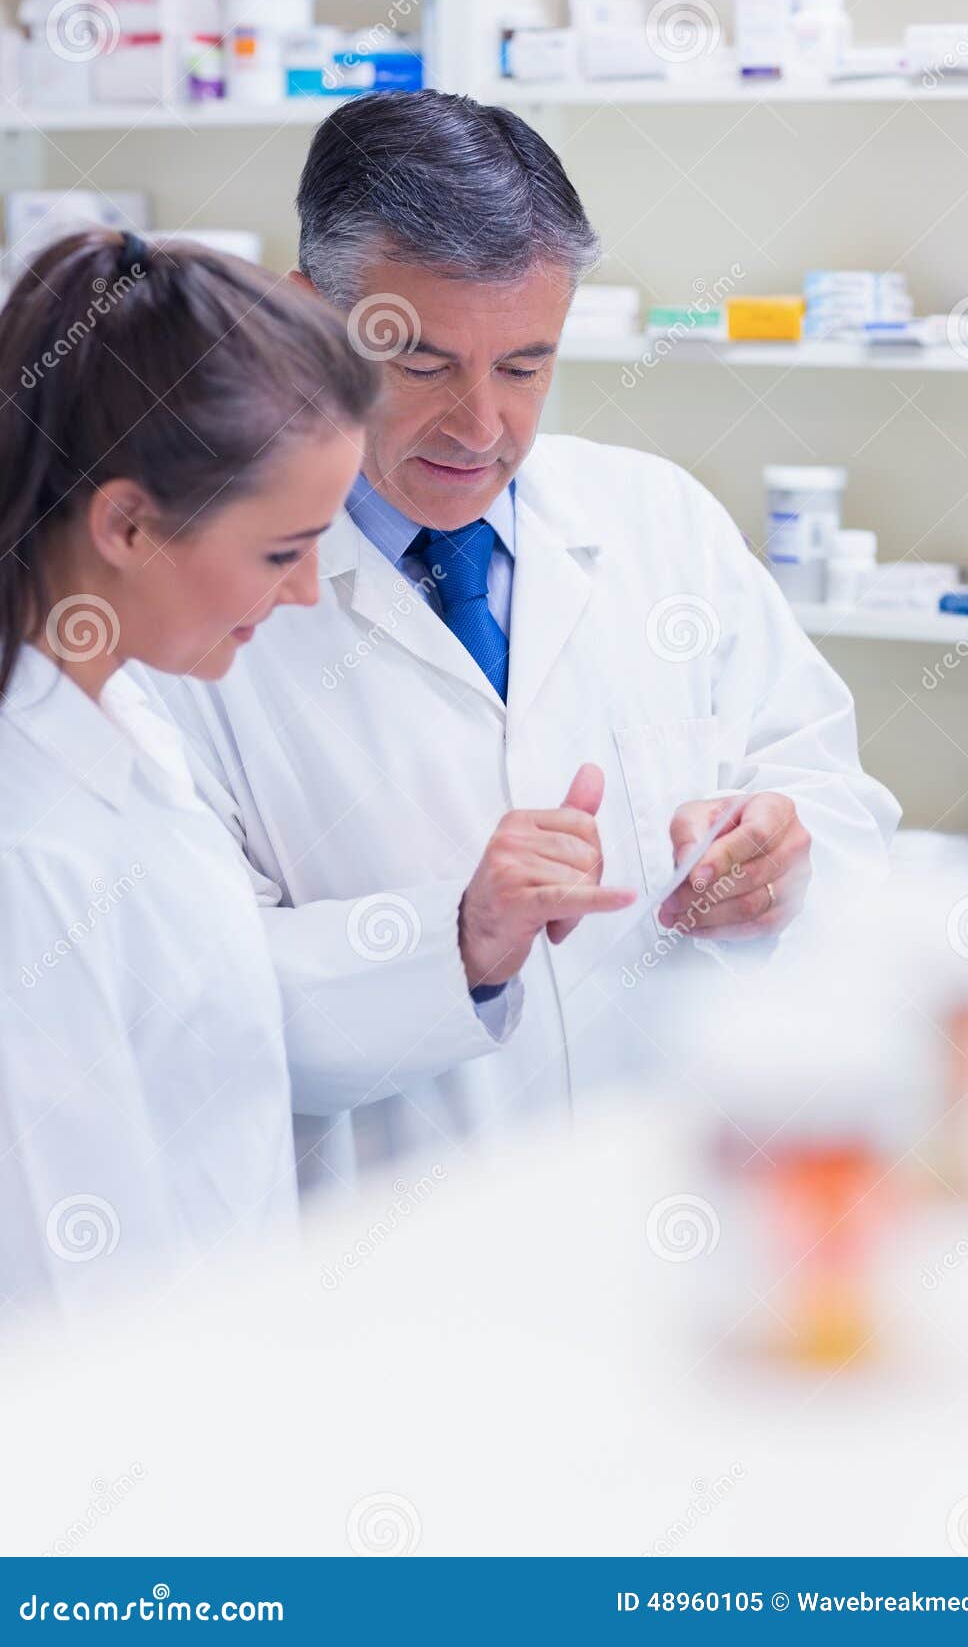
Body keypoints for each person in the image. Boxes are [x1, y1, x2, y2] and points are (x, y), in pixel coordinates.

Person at [145, 91, 901, 1195]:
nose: (481, 427)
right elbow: (187, 997)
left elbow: (832, 797)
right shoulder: (193, 611)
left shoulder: (660, 522)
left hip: (673, 1205)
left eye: (523, 366)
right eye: (423, 365)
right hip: (390, 1245)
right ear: (309, 322)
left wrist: (784, 859)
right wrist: (455, 941)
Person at [0, 230, 376, 1319]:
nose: (304, 591)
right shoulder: (29, 851)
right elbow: (63, 1293)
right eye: (280, 551)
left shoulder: (127, 720)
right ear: (126, 522)